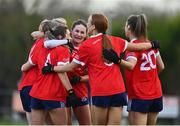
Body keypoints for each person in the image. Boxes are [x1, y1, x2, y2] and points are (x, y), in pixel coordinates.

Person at [42, 13, 160, 125]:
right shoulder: (116, 40)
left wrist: (52, 68)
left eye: (88, 22)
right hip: (118, 90)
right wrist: (152, 45)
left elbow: (71, 66)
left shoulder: (87, 45)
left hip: (101, 91)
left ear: (92, 27)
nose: (87, 25)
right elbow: (137, 47)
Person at [103, 14, 164, 125]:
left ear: (129, 27)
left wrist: (117, 60)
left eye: (125, 26)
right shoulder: (150, 43)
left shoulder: (133, 46)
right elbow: (161, 66)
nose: (124, 28)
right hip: (156, 93)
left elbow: (131, 65)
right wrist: (150, 78)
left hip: (140, 95)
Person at [21, 20, 75, 125]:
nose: (70, 38)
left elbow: (28, 64)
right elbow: (61, 72)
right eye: (68, 35)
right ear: (60, 37)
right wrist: (71, 91)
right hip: (53, 93)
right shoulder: (63, 50)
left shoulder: (41, 46)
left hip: (36, 94)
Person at [42, 19, 91, 125]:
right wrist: (66, 42)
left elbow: (94, 74)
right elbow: (46, 43)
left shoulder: (88, 49)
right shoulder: (62, 45)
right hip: (63, 91)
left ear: (86, 34)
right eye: (77, 31)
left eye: (82, 32)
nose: (79, 34)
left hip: (80, 91)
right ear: (71, 31)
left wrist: (81, 79)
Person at [18, 19, 49, 125]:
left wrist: (23, 66)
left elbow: (28, 64)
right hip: (29, 85)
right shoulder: (40, 42)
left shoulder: (42, 43)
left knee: (34, 123)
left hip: (32, 85)